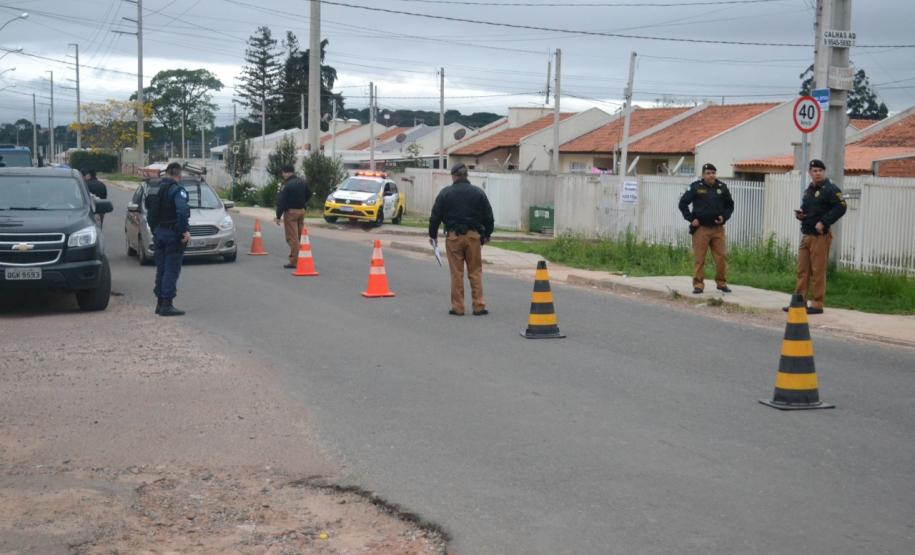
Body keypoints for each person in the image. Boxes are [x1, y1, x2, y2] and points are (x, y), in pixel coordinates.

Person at [428, 163, 495, 316]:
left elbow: (435, 216)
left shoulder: (445, 193)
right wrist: (487, 234)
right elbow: (488, 216)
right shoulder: (478, 193)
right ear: (466, 175)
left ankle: (458, 307)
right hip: (473, 237)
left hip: (454, 237)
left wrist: (432, 236)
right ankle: (479, 306)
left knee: (456, 273)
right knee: (475, 272)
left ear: (454, 176)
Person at [785, 159, 847, 315]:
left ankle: (817, 304)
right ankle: (800, 302)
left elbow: (841, 207)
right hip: (806, 234)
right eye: (814, 170)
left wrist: (824, 222)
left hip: (820, 236)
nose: (817, 173)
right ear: (810, 173)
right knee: (802, 270)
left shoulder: (830, 189)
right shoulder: (809, 190)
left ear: (824, 172)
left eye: (820, 170)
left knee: (818, 271)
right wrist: (802, 215)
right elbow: (808, 209)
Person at [678, 162, 735, 294]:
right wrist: (691, 219)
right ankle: (698, 285)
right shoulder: (696, 187)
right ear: (703, 175)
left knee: (721, 257)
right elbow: (683, 203)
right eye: (708, 173)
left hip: (717, 229)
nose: (711, 175)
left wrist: (724, 217)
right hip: (701, 229)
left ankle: (721, 283)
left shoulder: (722, 187)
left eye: (713, 173)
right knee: (700, 259)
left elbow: (730, 205)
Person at [152, 162, 190, 317]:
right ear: (178, 175)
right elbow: (182, 211)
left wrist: (155, 229)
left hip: (159, 232)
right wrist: (183, 232)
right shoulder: (177, 190)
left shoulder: (158, 190)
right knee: (171, 269)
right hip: (171, 234)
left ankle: (160, 303)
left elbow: (151, 214)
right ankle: (167, 304)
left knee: (161, 269)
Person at [274, 164, 311, 269]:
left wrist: (278, 216)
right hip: (301, 211)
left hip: (291, 213)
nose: (282, 175)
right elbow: (309, 193)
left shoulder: (286, 184)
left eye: (283, 173)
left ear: (286, 172)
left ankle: (294, 261)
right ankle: (303, 256)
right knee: (300, 236)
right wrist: (303, 203)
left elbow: (281, 201)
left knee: (292, 238)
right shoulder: (302, 181)